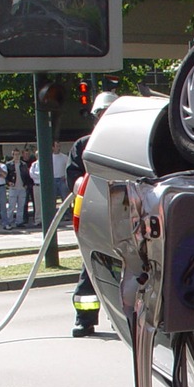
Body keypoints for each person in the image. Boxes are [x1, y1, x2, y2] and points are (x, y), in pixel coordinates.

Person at [66, 90, 117, 337]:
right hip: (93, 216)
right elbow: (73, 176)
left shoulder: (126, 143)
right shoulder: (84, 146)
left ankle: (127, 323)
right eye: (101, 114)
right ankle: (85, 319)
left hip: (122, 213)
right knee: (92, 266)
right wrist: (78, 183)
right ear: (96, 116)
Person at [5, 148, 30, 229]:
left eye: (18, 154)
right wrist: (8, 182)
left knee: (21, 206)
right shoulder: (8, 165)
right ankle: (8, 222)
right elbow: (6, 176)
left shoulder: (23, 165)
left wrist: (26, 184)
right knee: (11, 206)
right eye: (15, 154)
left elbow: (27, 176)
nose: (17, 156)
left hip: (22, 188)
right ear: (12, 155)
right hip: (13, 188)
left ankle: (19, 221)